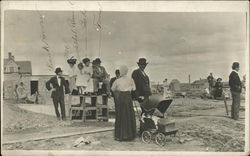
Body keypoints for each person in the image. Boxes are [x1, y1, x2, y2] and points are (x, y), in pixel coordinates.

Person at [111, 65, 136, 141]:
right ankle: (129, 135)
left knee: (120, 115)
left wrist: (119, 89)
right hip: (128, 97)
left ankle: (120, 135)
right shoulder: (131, 80)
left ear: (121, 71)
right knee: (128, 114)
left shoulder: (117, 80)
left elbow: (112, 89)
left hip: (121, 97)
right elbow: (134, 88)